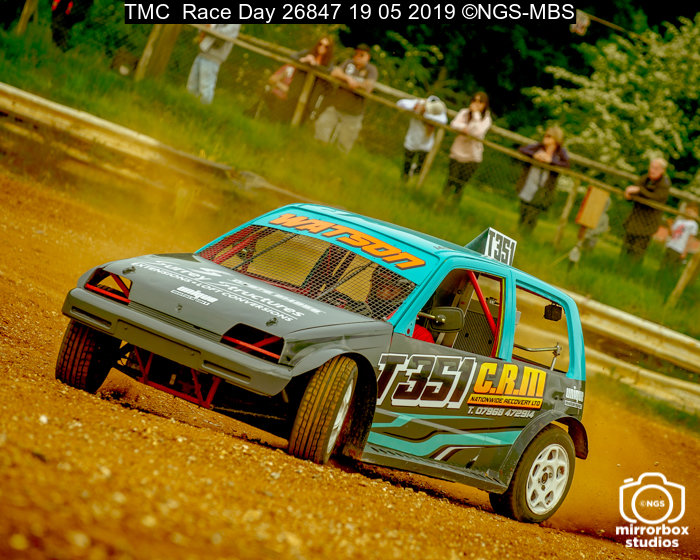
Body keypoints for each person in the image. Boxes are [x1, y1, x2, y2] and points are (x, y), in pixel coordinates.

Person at [314, 44, 377, 153]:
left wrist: (357, 84)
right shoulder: (349, 63)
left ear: (368, 57)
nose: (358, 57)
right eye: (356, 54)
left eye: (362, 55)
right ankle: (319, 152)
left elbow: (369, 85)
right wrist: (348, 79)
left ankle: (337, 159)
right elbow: (335, 72)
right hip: (337, 106)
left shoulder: (371, 69)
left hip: (354, 112)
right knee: (322, 125)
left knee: (345, 142)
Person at [264, 36, 334, 122]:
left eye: (326, 46)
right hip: (298, 84)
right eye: (320, 44)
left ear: (329, 49)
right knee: (290, 103)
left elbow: (329, 71)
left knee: (306, 109)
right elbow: (293, 56)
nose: (322, 47)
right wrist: (304, 59)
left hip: (313, 90)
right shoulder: (308, 52)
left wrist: (315, 65)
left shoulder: (328, 61)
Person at [516, 126, 570, 234]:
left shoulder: (560, 152)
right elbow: (523, 150)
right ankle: (518, 230)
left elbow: (566, 164)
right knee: (524, 207)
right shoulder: (538, 147)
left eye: (549, 136)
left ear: (556, 139)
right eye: (545, 135)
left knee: (534, 210)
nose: (545, 138)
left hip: (544, 186)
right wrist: (535, 155)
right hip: (530, 181)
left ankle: (526, 233)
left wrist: (550, 161)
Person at [620, 158, 671, 264]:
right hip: (634, 220)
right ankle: (619, 269)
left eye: (656, 168)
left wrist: (640, 190)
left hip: (647, 225)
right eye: (651, 167)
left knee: (637, 252)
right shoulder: (645, 179)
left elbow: (656, 197)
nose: (652, 170)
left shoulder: (664, 184)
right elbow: (634, 189)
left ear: (662, 170)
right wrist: (629, 194)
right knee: (626, 248)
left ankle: (631, 272)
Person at [443, 92, 492, 201]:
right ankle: (441, 202)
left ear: (485, 104)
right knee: (450, 180)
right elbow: (454, 124)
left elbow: (477, 132)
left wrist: (476, 114)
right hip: (457, 153)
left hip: (472, 157)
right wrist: (463, 128)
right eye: (474, 100)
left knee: (460, 185)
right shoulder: (464, 112)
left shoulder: (486, 119)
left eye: (480, 102)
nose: (476, 104)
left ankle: (453, 205)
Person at [396, 95, 448, 182]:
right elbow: (400, 103)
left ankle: (413, 174)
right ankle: (403, 181)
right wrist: (415, 107)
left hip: (426, 144)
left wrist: (425, 114)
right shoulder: (419, 103)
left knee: (420, 167)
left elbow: (443, 121)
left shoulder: (439, 109)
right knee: (407, 163)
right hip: (411, 141)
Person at [187, 24, 241, 105]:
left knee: (206, 86)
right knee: (192, 84)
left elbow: (227, 33)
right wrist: (205, 29)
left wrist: (210, 30)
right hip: (202, 51)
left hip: (214, 56)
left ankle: (203, 109)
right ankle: (187, 106)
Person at [659, 201, 698, 276]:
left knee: (671, 269)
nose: (689, 213)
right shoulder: (680, 221)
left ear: (696, 213)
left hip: (679, 249)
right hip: (671, 246)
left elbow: (690, 239)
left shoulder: (693, 224)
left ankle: (667, 281)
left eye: (692, 211)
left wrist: (685, 251)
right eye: (688, 211)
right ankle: (658, 280)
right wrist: (670, 225)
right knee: (663, 265)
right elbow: (671, 234)